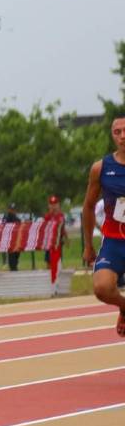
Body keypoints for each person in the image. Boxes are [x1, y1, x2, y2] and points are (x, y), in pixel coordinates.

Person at [83, 117, 125, 336]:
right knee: (102, 288)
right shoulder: (101, 168)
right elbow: (88, 207)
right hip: (114, 242)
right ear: (112, 135)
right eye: (117, 132)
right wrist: (88, 245)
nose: (122, 136)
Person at [44, 195, 68, 274]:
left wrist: (66, 238)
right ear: (49, 205)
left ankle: (58, 272)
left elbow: (63, 228)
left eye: (55, 204)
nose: (53, 206)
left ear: (58, 205)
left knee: (58, 258)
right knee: (49, 259)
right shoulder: (47, 216)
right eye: (51, 204)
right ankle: (49, 273)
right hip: (49, 241)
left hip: (58, 240)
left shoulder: (61, 216)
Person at [3, 203, 21, 271]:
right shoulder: (6, 218)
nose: (12, 211)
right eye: (11, 209)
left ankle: (15, 267)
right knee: (11, 257)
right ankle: (13, 268)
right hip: (9, 241)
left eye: (13, 209)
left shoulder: (18, 219)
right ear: (8, 209)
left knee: (16, 256)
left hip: (16, 240)